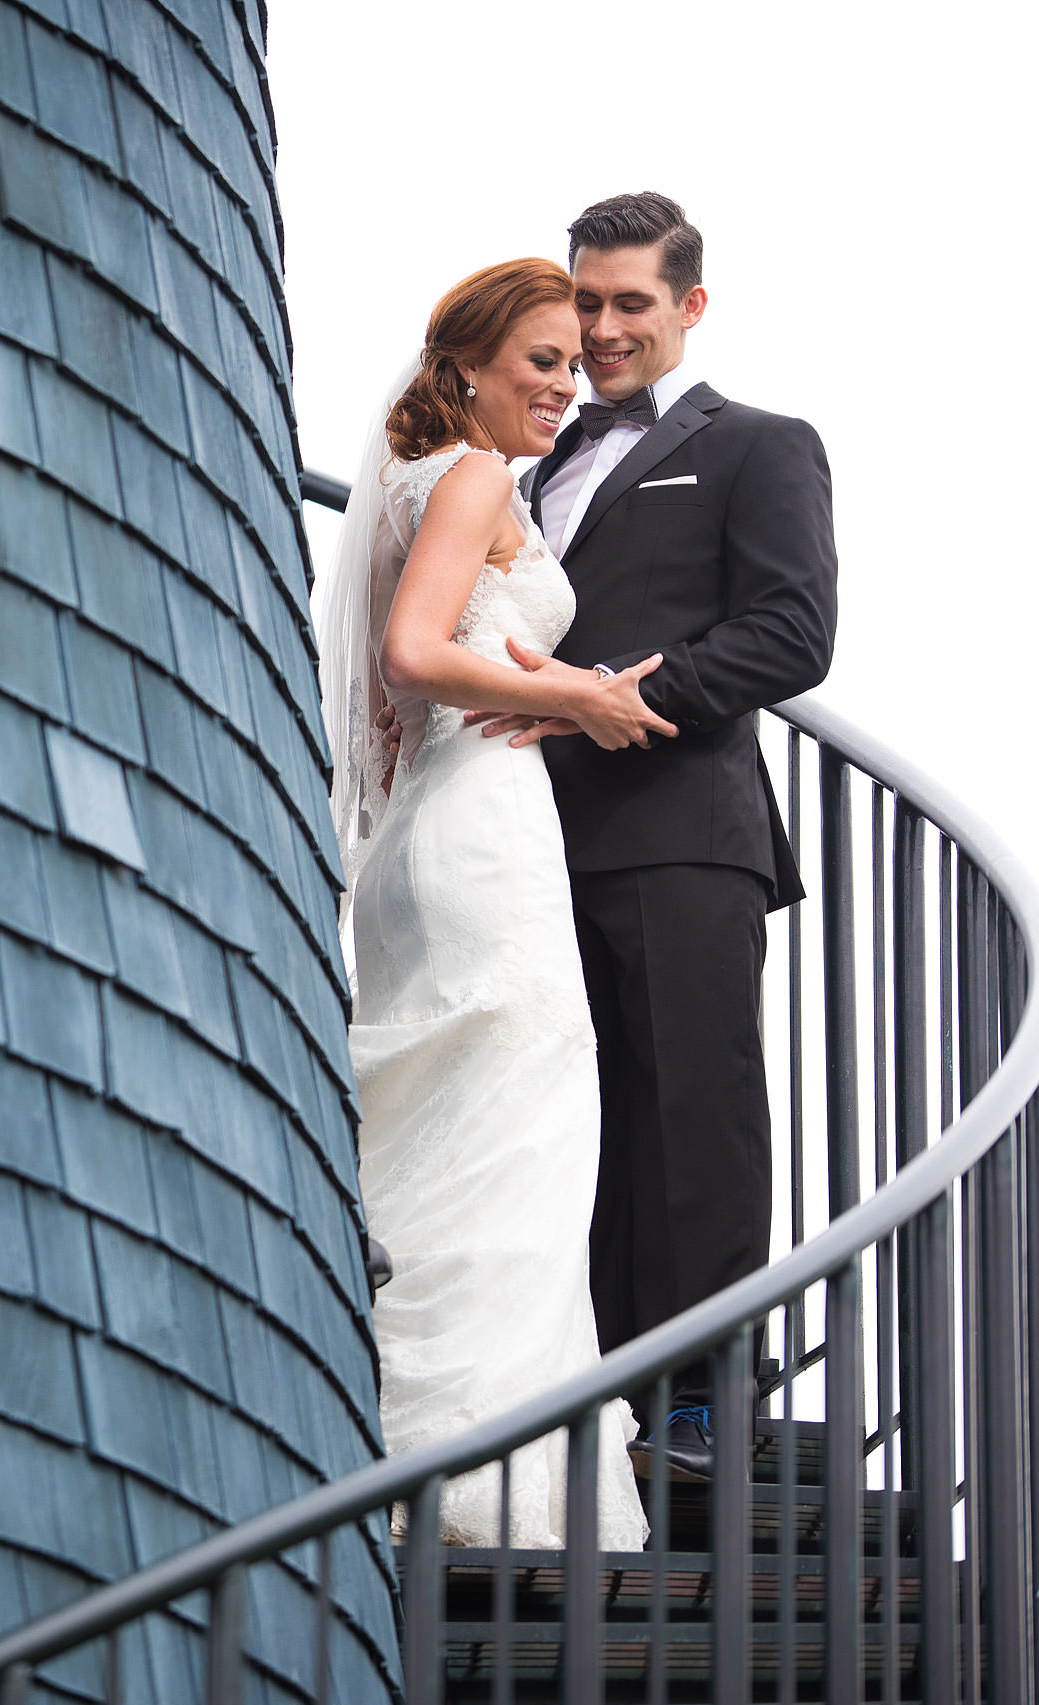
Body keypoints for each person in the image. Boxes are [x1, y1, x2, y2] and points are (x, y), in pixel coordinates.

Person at [471, 195, 836, 1482]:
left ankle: (696, 1401)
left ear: (688, 307)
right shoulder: (523, 470)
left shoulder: (759, 446)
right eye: (587, 301)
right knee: (562, 1116)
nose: (605, 326)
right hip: (523, 839)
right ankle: (574, 1381)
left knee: (693, 1112)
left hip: (677, 824)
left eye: (633, 302)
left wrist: (633, 694)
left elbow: (793, 633)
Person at [318, 258, 662, 1548]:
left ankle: (397, 1432)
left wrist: (540, 684)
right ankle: (490, 1487)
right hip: (479, 839)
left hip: (427, 838)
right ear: (465, 365)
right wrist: (575, 693)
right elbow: (414, 651)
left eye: (573, 366)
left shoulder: (411, 482)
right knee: (519, 1126)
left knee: (446, 1121)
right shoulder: (468, 477)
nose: (565, 386)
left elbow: (406, 678)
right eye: (541, 362)